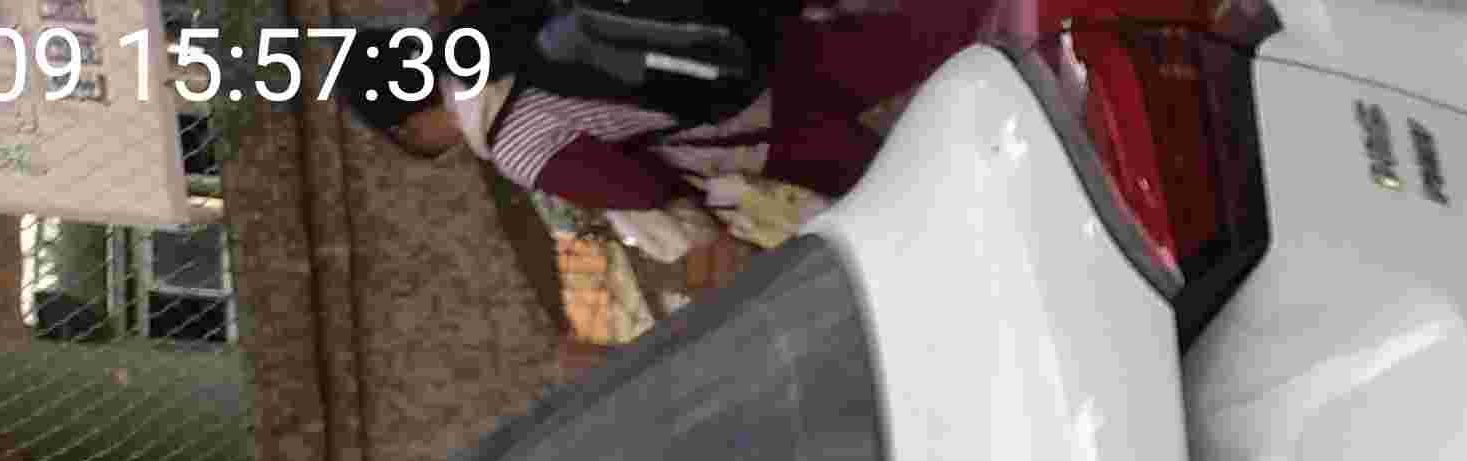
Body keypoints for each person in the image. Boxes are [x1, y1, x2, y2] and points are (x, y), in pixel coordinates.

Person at [339, 1, 987, 296]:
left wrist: (700, 245)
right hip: (755, 35)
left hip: (753, 125)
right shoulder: (492, 22)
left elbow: (639, 190)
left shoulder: (513, 139)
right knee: (943, 31)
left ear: (409, 126)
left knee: (914, 177)